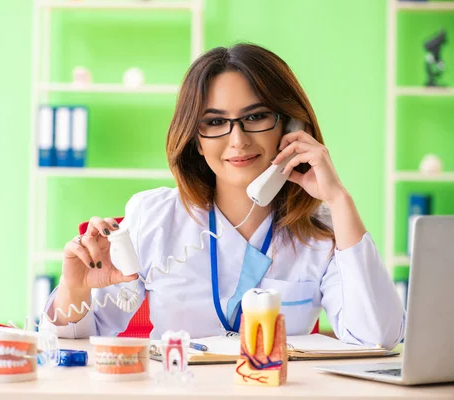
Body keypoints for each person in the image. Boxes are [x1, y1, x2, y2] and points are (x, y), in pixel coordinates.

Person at [42, 43, 405, 349]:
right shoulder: (155, 214)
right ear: (195, 140)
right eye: (215, 122)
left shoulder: (324, 228)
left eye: (257, 116)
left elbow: (377, 338)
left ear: (291, 127)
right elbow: (74, 342)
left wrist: (339, 199)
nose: (237, 140)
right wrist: (75, 289)